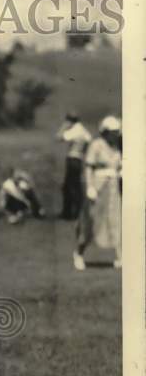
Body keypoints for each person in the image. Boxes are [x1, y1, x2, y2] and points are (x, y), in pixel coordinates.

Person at [73, 115, 122, 271]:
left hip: (113, 189)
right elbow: (89, 167)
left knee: (115, 221)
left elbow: (119, 165)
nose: (115, 134)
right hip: (98, 188)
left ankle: (120, 256)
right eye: (113, 131)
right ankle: (79, 254)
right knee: (92, 222)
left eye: (117, 131)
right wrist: (90, 187)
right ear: (105, 132)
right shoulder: (97, 145)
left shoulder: (117, 147)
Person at [56, 111, 91, 220]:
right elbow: (89, 140)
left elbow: (59, 137)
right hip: (79, 159)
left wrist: (64, 127)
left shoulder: (74, 130)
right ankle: (75, 212)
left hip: (72, 158)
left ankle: (70, 214)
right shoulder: (83, 130)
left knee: (70, 187)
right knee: (74, 186)